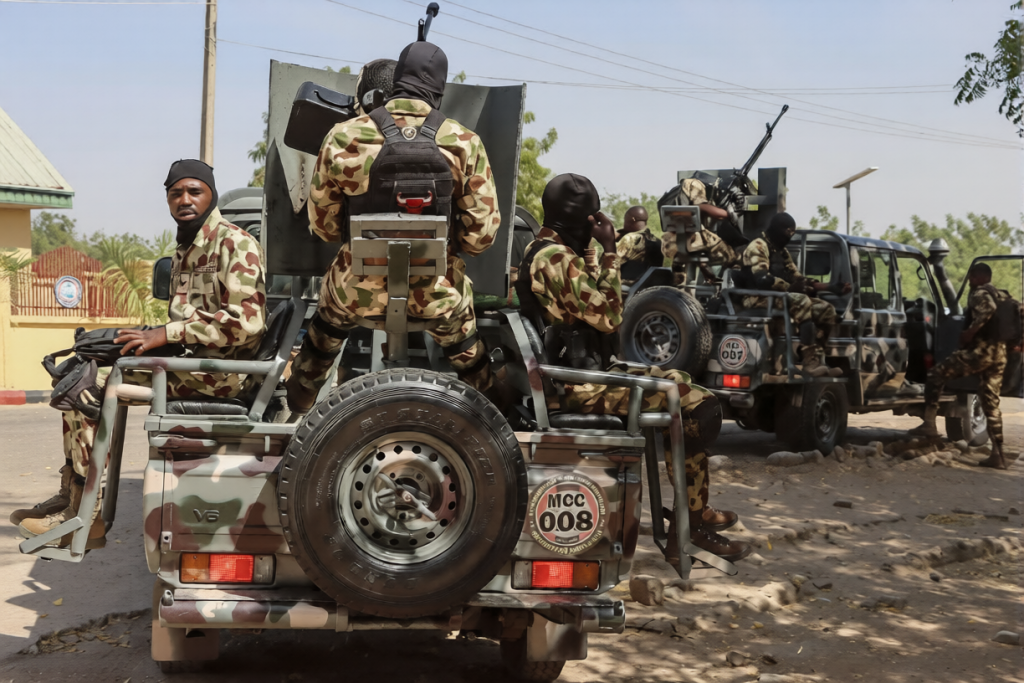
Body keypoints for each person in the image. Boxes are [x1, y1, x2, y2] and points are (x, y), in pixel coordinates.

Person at [13, 160, 267, 546]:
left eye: (194, 191)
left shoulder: (233, 242)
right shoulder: (188, 243)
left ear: (210, 194)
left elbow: (247, 321)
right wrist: (148, 336)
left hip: (221, 374)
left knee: (90, 384)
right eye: (175, 192)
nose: (184, 199)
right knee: (82, 367)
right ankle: (73, 492)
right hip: (192, 361)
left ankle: (85, 514)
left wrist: (167, 332)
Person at [517, 173, 751, 564]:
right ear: (582, 221)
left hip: (580, 374)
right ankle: (689, 526)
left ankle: (691, 514)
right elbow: (610, 316)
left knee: (683, 384)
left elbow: (589, 300)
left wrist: (592, 251)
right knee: (698, 405)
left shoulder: (552, 253)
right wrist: (609, 250)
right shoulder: (553, 259)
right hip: (576, 386)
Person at [286, 41, 500, 412]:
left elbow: (323, 227)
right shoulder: (465, 143)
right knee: (467, 346)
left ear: (397, 78)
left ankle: (300, 398)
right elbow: (481, 237)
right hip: (438, 296)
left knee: (325, 329)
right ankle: (496, 406)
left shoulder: (344, 135)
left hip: (354, 293)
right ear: (440, 87)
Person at [911, 263, 1010, 469]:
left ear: (980, 277)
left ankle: (929, 426)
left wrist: (969, 333)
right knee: (990, 403)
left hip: (980, 353)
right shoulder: (1002, 295)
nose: (971, 282)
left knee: (937, 374)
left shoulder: (980, 294)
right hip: (999, 355)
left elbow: (987, 311)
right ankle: (998, 455)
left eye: (972, 278)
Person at [738, 212, 848, 377]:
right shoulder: (758, 246)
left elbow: (798, 278)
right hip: (757, 298)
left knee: (826, 309)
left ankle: (817, 360)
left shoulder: (781, 251)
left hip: (779, 297)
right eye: (789, 232)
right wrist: (790, 288)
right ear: (779, 229)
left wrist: (831, 287)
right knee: (802, 301)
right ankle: (809, 363)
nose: (790, 236)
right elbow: (762, 279)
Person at [661, 177, 744, 268]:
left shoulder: (682, 193)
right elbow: (702, 206)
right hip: (687, 240)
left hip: (670, 242)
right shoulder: (695, 184)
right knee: (734, 256)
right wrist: (729, 214)